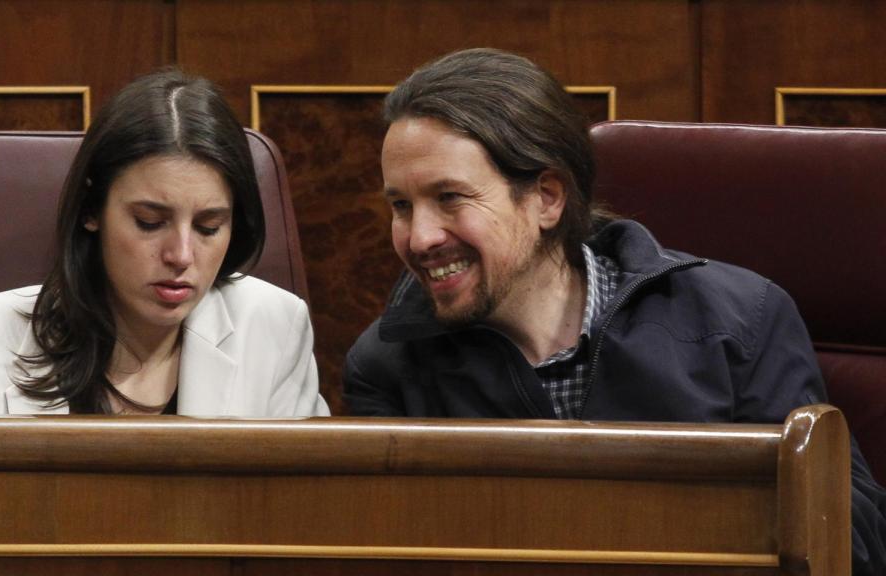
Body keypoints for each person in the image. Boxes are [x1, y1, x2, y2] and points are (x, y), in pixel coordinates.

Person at [342, 48, 885, 573]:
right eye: (401, 206)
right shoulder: (387, 364)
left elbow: (853, 543)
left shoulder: (740, 318)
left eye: (451, 198)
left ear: (547, 198)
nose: (420, 237)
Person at [0, 69, 329, 417]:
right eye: (150, 222)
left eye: (208, 227)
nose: (181, 256)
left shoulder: (276, 328)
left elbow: (296, 508)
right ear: (92, 210)